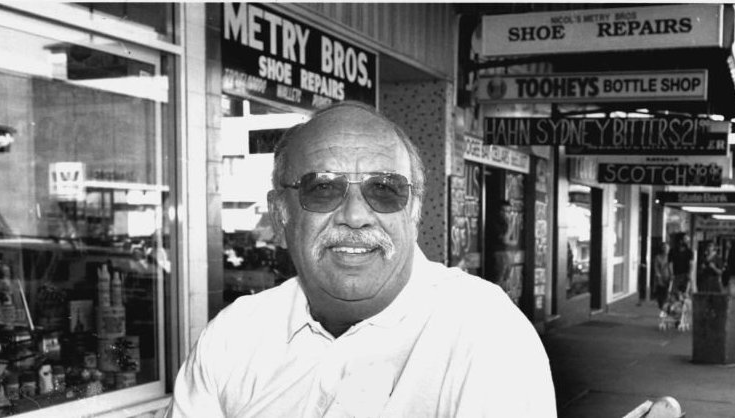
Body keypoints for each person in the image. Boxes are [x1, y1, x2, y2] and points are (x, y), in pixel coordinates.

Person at [168, 102, 556, 417]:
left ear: (415, 211)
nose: (355, 215)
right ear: (280, 215)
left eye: (385, 190)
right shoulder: (234, 337)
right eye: (322, 188)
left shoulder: (485, 333)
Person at [652, 241, 673, 310]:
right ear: (662, 249)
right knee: (661, 293)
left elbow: (672, 267)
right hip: (661, 277)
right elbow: (656, 268)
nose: (666, 249)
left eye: (667, 248)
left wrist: (672, 275)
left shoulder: (671, 257)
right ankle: (661, 306)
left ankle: (666, 307)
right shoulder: (658, 257)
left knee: (668, 293)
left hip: (669, 277)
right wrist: (658, 277)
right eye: (664, 248)